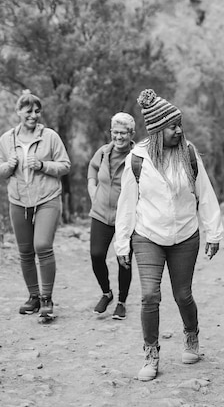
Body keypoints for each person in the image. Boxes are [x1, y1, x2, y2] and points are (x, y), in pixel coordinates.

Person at [114, 88, 224, 382]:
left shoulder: (188, 154)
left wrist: (213, 232)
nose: (179, 130)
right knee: (149, 295)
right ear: (158, 130)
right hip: (148, 235)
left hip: (185, 236)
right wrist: (122, 243)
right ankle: (151, 353)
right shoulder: (137, 160)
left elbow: (205, 194)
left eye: (179, 125)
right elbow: (127, 204)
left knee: (182, 294)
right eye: (172, 126)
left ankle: (191, 334)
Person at [0, 89, 71, 318]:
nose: (34, 115)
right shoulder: (7, 139)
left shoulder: (50, 137)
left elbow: (65, 165)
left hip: (47, 198)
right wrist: (8, 166)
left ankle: (47, 299)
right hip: (18, 200)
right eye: (28, 111)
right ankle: (33, 297)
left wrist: (43, 165)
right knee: (25, 251)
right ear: (18, 112)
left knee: (42, 245)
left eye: (37, 111)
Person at [87, 112, 137, 320]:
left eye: (123, 133)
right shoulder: (102, 153)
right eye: (115, 132)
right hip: (100, 214)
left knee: (123, 259)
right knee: (96, 255)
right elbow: (92, 170)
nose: (118, 137)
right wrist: (93, 192)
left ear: (131, 134)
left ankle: (122, 302)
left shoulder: (138, 156)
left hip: (125, 217)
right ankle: (106, 293)